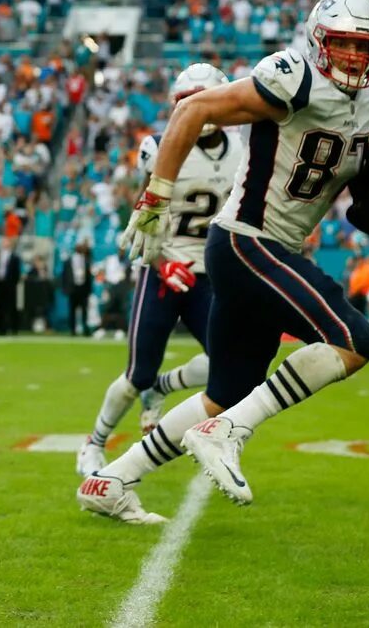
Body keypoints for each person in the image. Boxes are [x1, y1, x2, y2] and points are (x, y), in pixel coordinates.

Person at [81, 0, 369, 522]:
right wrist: (155, 198)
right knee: (355, 340)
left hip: (264, 251)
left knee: (225, 392)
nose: (354, 57)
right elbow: (194, 108)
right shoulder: (294, 77)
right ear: (319, 41)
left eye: (365, 47)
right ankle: (228, 432)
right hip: (247, 241)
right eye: (343, 43)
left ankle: (111, 480)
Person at [75, 63, 243, 478]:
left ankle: (164, 388)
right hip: (163, 270)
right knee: (137, 374)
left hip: (211, 275)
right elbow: (142, 219)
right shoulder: (160, 146)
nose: (196, 109)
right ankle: (93, 443)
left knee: (232, 364)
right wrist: (161, 262)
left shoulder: (243, 149)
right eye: (187, 101)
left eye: (203, 99)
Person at [0, 237, 22, 335]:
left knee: (12, 307)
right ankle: (1, 329)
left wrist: (14, 283)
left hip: (10, 285)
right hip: (0, 284)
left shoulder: (15, 257)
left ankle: (14, 328)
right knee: (0, 307)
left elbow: (17, 272)